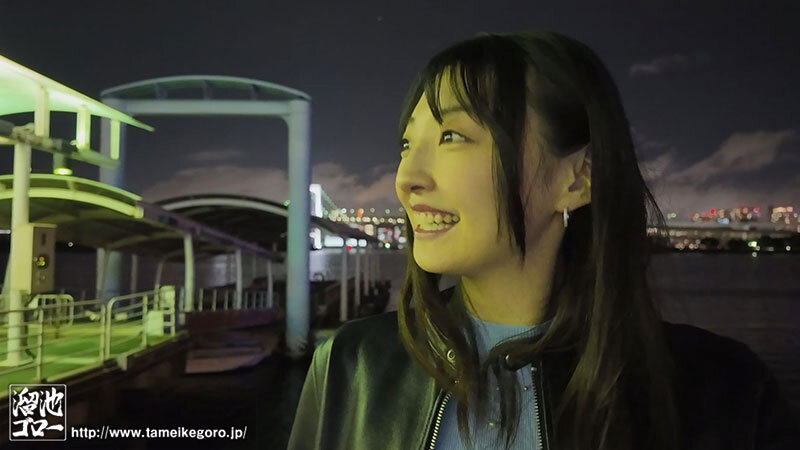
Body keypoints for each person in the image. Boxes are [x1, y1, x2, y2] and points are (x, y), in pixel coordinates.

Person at [287, 30, 799, 450]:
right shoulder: (351, 367)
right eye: (406, 143)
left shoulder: (724, 392)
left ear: (578, 179)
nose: (406, 178)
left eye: (452, 137)